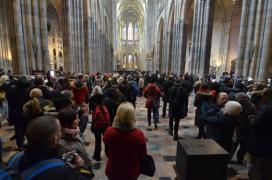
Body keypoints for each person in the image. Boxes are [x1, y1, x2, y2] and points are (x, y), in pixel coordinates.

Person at [7, 116, 92, 179]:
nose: (62, 132)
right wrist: (81, 167)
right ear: (55, 139)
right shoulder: (62, 171)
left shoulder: (14, 159)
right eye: (60, 131)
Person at [103, 102, 147, 180]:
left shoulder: (109, 132)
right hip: (131, 172)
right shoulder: (138, 135)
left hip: (114, 171)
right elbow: (143, 155)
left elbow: (107, 152)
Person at [247, 88, 272, 180]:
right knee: (268, 171)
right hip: (269, 147)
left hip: (259, 145)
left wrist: (251, 119)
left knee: (255, 169)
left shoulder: (266, 108)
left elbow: (255, 124)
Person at [233, 92, 257, 164]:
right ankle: (239, 159)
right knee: (243, 146)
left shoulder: (238, 106)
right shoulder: (252, 106)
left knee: (235, 144)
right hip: (246, 129)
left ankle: (229, 158)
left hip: (239, 128)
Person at [90, 90, 110, 161]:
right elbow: (108, 118)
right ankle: (108, 153)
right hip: (105, 127)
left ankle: (97, 156)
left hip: (97, 128)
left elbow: (94, 120)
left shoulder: (96, 109)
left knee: (98, 142)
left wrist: (92, 128)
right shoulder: (105, 107)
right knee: (106, 141)